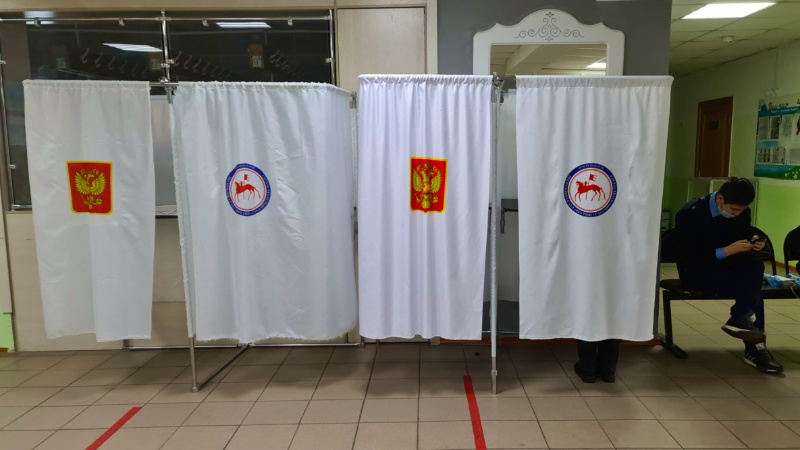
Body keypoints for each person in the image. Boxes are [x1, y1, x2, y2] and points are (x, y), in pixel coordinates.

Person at [674, 177, 782, 373]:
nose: (738, 214)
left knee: (755, 268)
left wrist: (753, 240)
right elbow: (688, 257)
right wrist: (726, 251)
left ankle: (741, 318)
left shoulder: (742, 211)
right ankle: (755, 348)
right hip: (695, 271)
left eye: (742, 210)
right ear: (720, 199)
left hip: (727, 266)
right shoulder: (690, 214)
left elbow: (741, 233)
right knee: (752, 288)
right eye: (734, 210)